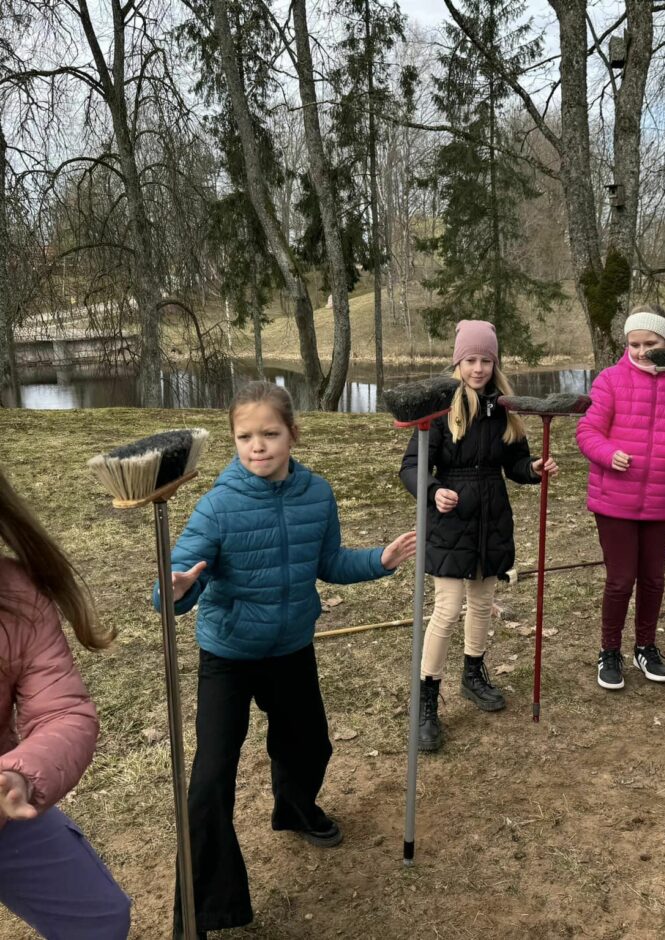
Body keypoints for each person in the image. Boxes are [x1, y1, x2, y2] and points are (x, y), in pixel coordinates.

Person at [155, 381, 416, 938]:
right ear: (233, 441)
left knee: (310, 744)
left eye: (270, 434)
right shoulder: (218, 505)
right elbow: (177, 578)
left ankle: (293, 809)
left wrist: (380, 559)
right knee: (209, 781)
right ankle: (201, 910)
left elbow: (330, 561)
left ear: (292, 434)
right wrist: (173, 589)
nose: (258, 446)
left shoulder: (316, 494)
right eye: (245, 436)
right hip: (228, 654)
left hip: (292, 647)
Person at [400, 320, 557, 752]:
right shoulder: (439, 406)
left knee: (483, 603)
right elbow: (411, 467)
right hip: (450, 523)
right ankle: (427, 700)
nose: (478, 368)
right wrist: (433, 492)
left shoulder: (503, 406)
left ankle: (473, 673)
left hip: (492, 518)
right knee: (447, 609)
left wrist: (533, 470)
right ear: (458, 361)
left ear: (495, 362)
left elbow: (515, 463)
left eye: (486, 360)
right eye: (470, 359)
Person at [0, 467, 131, 939]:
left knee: (100, 918)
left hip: (3, 805)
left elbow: (62, 712)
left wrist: (18, 774)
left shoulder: (18, 596)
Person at [576, 305, 665, 691]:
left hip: (660, 498)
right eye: (634, 343)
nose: (640, 351)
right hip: (614, 499)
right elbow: (587, 432)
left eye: (649, 343)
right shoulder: (610, 380)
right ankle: (609, 651)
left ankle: (645, 646)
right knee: (622, 579)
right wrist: (608, 454)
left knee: (653, 579)